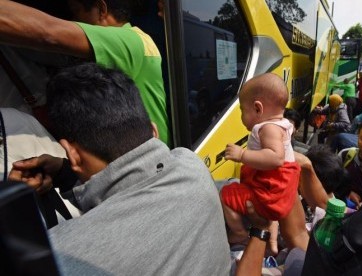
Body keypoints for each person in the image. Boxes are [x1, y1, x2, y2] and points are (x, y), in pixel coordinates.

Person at [8, 63, 230, 275]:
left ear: (71, 153)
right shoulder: (191, 165)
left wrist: (13, 212)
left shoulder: (59, 257)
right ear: (153, 130)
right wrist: (65, 173)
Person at [0, 0, 170, 144]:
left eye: (76, 12)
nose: (73, 20)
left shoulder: (130, 41)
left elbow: (48, 32)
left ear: (101, 10)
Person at [220, 73, 301, 255]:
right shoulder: (283, 124)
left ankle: (239, 233)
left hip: (269, 196)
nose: (241, 115)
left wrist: (242, 154)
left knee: (226, 193)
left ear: (258, 109)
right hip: (282, 196)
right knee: (269, 216)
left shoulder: (268, 128)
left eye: (242, 110)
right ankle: (272, 242)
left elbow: (276, 158)